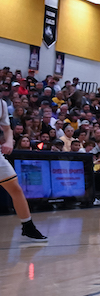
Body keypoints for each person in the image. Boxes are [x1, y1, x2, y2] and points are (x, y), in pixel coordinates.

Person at [1, 98, 47, 241]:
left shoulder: (1, 104)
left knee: (16, 189)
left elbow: (7, 129)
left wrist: (9, 141)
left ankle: (28, 226)